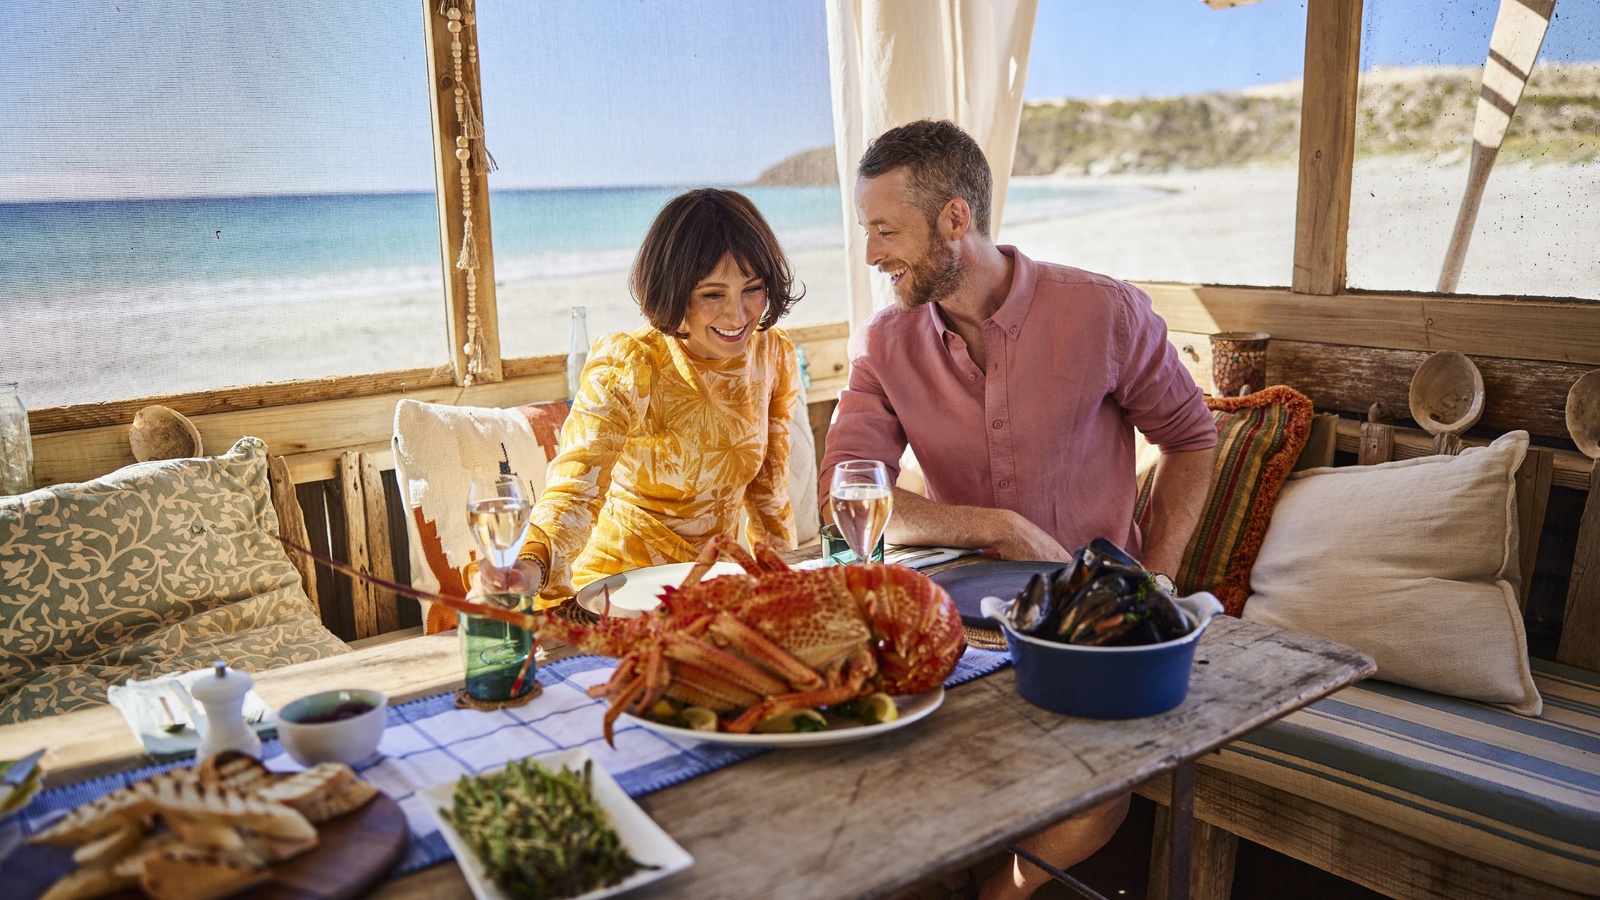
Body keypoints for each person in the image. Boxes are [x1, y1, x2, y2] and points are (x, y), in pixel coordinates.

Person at [820, 120, 1219, 900]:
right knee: (874, 766)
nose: (872, 254)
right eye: (867, 231)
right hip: (956, 631)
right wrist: (994, 526)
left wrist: (1152, 592)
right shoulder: (884, 342)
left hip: (1085, 634)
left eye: (886, 230)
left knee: (1098, 791)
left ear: (955, 220)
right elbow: (848, 494)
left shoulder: (1104, 312)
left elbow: (1191, 440)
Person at [480, 188, 803, 603]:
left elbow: (768, 497)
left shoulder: (773, 353)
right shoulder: (629, 361)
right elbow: (575, 491)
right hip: (613, 593)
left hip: (708, 592)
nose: (738, 315)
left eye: (753, 288)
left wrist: (787, 587)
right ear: (674, 287)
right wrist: (529, 564)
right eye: (712, 294)